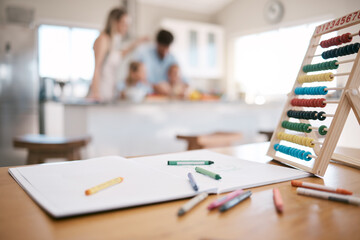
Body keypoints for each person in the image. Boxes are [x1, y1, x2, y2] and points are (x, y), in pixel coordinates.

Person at [88, 8, 147, 102]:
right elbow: (97, 68)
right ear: (115, 22)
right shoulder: (103, 39)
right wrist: (96, 93)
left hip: (110, 92)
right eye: (124, 24)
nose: (126, 28)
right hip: (100, 92)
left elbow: (121, 54)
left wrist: (137, 42)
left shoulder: (114, 42)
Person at [134, 29, 187, 95]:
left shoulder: (172, 58)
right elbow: (135, 79)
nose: (165, 51)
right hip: (146, 95)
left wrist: (179, 88)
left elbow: (184, 81)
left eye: (167, 48)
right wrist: (154, 87)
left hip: (167, 98)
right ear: (157, 43)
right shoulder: (143, 55)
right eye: (163, 47)